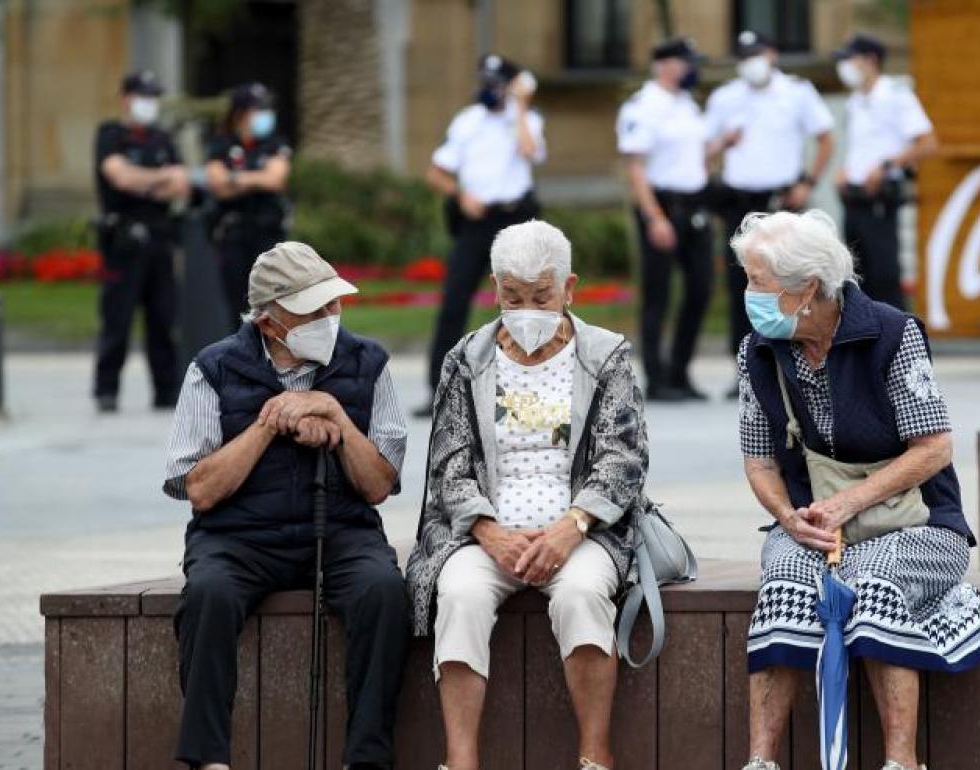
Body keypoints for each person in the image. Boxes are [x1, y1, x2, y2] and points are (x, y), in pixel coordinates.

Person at [731, 211, 980, 770]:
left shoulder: (891, 333)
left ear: (809, 291)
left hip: (918, 522)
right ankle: (761, 762)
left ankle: (901, 762)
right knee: (784, 585)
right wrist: (786, 515)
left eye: (758, 284)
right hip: (813, 524)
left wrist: (849, 502)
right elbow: (760, 461)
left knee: (872, 587)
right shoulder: (757, 351)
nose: (747, 296)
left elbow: (934, 448)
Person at [406, 220, 649, 770]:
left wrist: (571, 528)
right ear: (495, 289)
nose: (527, 309)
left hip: (581, 530)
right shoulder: (467, 360)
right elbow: (449, 461)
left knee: (583, 593)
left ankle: (595, 754)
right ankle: (460, 760)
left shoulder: (604, 356)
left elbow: (623, 455)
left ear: (570, 289)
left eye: (541, 296)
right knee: (461, 595)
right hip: (486, 534)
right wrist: (491, 534)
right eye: (512, 296)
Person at [163, 242, 409, 770]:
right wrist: (268, 423)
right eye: (314, 309)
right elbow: (197, 489)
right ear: (270, 322)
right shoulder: (214, 368)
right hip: (238, 537)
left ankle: (367, 758)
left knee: (384, 593)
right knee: (208, 595)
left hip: (342, 530)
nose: (330, 318)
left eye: (333, 305)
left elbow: (378, 485)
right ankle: (208, 759)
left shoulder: (369, 363)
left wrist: (338, 421)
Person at [420, 53, 545, 416]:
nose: (490, 90)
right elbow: (436, 172)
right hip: (477, 222)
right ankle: (439, 389)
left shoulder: (527, 120)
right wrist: (460, 195)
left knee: (525, 301)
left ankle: (530, 387)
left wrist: (521, 104)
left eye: (497, 84)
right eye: (485, 82)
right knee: (454, 300)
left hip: (516, 219)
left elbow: (530, 150)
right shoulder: (467, 121)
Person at [706, 30, 834, 380]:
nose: (751, 63)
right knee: (743, 286)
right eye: (745, 56)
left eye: (757, 54)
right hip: (739, 200)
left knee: (792, 280)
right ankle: (745, 364)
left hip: (781, 200)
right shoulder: (725, 97)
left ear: (773, 54)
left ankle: (795, 357)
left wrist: (807, 182)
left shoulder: (796, 92)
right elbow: (702, 151)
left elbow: (825, 137)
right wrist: (723, 142)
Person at [616, 37, 714, 402]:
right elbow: (636, 167)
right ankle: (657, 378)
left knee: (700, 288)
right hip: (662, 205)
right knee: (658, 294)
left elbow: (695, 156)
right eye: (686, 63)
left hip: (694, 204)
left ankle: (680, 371)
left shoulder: (688, 104)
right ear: (665, 65)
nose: (691, 70)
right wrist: (654, 217)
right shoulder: (644, 106)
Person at [93, 69, 190, 413]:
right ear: (126, 98)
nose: (149, 104)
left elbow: (180, 183)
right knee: (117, 319)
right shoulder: (111, 134)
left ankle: (166, 391)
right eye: (143, 97)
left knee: (164, 318)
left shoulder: (163, 139)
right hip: (123, 241)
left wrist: (143, 181)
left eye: (153, 98)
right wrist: (158, 180)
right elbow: (118, 177)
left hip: (161, 239)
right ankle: (107, 390)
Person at [834, 33, 937, 310]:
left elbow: (927, 143)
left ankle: (897, 341)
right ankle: (862, 342)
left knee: (884, 275)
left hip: (880, 197)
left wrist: (888, 166)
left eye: (851, 59)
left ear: (871, 60)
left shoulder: (895, 95)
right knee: (855, 275)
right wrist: (845, 170)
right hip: (854, 197)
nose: (845, 67)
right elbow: (860, 148)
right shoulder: (855, 101)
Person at [205, 82, 292, 322]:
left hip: (267, 234)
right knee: (238, 307)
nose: (266, 115)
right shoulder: (221, 144)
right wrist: (256, 178)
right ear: (241, 113)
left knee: (271, 308)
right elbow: (217, 185)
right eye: (258, 109)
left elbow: (275, 179)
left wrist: (235, 178)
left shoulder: (275, 143)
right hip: (233, 235)